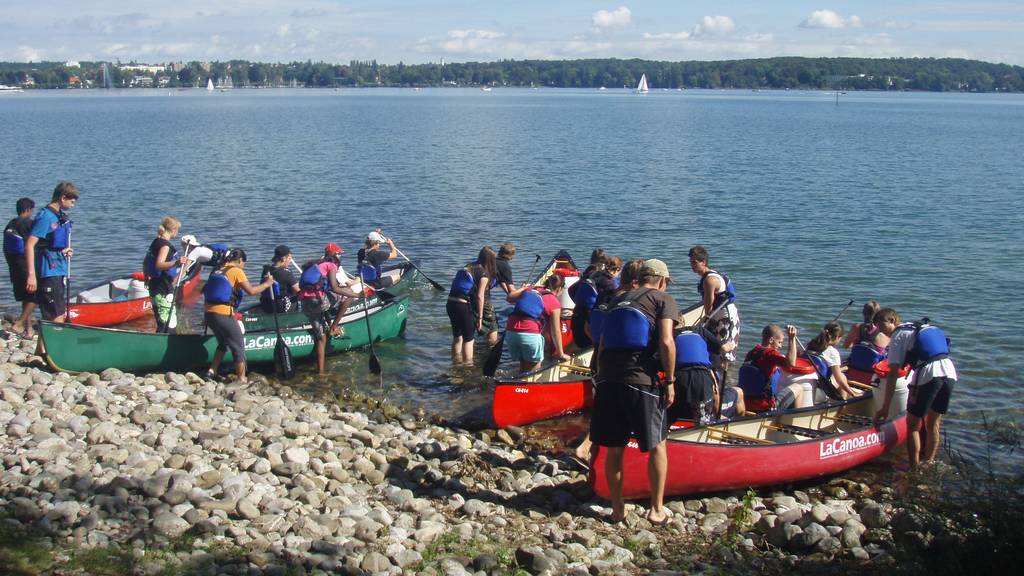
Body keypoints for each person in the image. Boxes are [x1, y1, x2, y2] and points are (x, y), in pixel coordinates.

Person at [590, 259, 679, 525]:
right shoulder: (663, 299)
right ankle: (657, 509)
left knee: (615, 450)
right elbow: (666, 341)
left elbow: (602, 344)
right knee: (657, 446)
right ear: (662, 280)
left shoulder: (618, 300)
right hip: (641, 381)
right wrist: (671, 380)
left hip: (608, 380)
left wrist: (598, 375)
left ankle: (617, 509)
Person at [874, 309, 956, 468]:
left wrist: (885, 407)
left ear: (892, 320)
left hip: (928, 374)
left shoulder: (899, 335)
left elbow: (892, 373)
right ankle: (929, 463)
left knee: (912, 425)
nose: (881, 332)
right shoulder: (921, 327)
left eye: (882, 326)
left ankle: (914, 468)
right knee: (933, 423)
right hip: (949, 372)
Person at [203, 249, 274, 383]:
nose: (243, 267)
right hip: (223, 314)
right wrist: (267, 284)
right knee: (238, 345)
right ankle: (241, 378)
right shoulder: (236, 271)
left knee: (223, 342)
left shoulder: (218, 270)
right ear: (240, 260)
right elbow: (252, 291)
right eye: (244, 264)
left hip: (209, 314)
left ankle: (212, 371)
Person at [25, 182, 78, 353]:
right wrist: (31, 275)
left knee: (51, 313)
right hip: (48, 271)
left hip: (58, 268)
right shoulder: (46, 217)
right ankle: (56, 352)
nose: (73, 205)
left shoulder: (58, 216)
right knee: (56, 316)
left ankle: (41, 351)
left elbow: (49, 243)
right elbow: (30, 245)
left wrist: (64, 251)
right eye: (72, 201)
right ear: (62, 197)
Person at [298, 243, 361, 375]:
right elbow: (335, 288)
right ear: (332, 255)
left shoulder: (314, 264)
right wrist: (358, 295)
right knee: (347, 295)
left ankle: (320, 371)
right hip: (319, 302)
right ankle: (333, 327)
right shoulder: (331, 265)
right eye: (338, 254)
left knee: (320, 337)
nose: (339, 256)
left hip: (305, 303)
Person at [688, 245, 740, 384]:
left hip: (724, 318)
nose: (692, 266)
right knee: (715, 348)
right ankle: (719, 380)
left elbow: (708, 307)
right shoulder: (709, 276)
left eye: (694, 262)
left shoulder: (709, 280)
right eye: (691, 262)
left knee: (723, 352)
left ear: (703, 262)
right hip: (720, 315)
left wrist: (702, 323)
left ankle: (725, 383)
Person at [504, 274, 570, 372]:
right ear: (559, 289)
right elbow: (555, 331)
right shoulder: (553, 301)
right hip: (529, 334)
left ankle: (516, 384)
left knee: (523, 366)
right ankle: (524, 386)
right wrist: (560, 354)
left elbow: (509, 297)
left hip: (510, 332)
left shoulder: (530, 290)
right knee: (533, 372)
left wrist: (524, 288)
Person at [446, 246, 496, 364]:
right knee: (469, 340)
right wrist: (480, 318)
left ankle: (456, 362)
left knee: (457, 337)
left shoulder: (467, 267)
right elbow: (480, 296)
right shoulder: (483, 274)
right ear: (490, 261)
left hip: (450, 303)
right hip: (462, 306)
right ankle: (468, 367)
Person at [669, 325, 727, 425]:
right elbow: (722, 348)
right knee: (702, 417)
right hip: (702, 377)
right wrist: (730, 345)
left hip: (680, 377)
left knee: (680, 415)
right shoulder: (700, 330)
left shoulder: (670, 335)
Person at [739, 324, 799, 412]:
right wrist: (792, 338)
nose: (781, 346)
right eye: (780, 342)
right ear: (771, 340)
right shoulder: (770, 354)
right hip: (765, 406)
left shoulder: (752, 352)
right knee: (798, 388)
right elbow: (791, 363)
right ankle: (794, 421)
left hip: (746, 403)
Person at [144, 217, 188, 333]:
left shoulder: (155, 242)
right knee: (168, 322)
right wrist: (177, 263)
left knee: (162, 320)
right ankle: (163, 347)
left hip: (155, 285)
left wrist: (146, 278)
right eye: (177, 229)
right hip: (162, 287)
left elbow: (145, 262)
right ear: (173, 229)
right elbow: (159, 264)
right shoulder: (165, 245)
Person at [4, 198, 36, 338]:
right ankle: (19, 323)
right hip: (25, 265)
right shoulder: (28, 223)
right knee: (37, 296)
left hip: (14, 265)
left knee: (26, 297)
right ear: (28, 210)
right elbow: (34, 244)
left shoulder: (10, 224)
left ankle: (28, 330)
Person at [572, 256, 621, 349]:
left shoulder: (593, 276)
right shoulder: (610, 284)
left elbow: (571, 290)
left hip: (576, 320)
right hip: (590, 328)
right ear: (617, 269)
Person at [804, 321, 858, 400]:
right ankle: (841, 406)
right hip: (821, 391)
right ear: (837, 337)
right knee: (842, 376)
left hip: (807, 384)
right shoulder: (833, 352)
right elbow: (838, 379)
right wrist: (853, 393)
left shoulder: (808, 345)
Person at [843, 300, 891, 386]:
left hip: (854, 370)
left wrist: (858, 344)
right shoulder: (884, 332)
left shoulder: (856, 327)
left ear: (863, 313)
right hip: (873, 376)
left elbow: (846, 346)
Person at [481, 243, 516, 347]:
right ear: (511, 256)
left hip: (476, 294)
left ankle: (483, 343)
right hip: (483, 296)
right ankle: (491, 347)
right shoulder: (505, 266)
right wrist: (524, 290)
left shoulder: (494, 261)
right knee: (493, 326)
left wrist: (508, 293)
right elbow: (512, 290)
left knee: (486, 321)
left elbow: (501, 281)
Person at [259, 245, 300, 314]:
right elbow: (298, 291)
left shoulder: (266, 270)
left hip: (266, 305)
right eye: (289, 259)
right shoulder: (286, 273)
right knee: (300, 297)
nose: (290, 261)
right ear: (283, 259)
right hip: (281, 307)